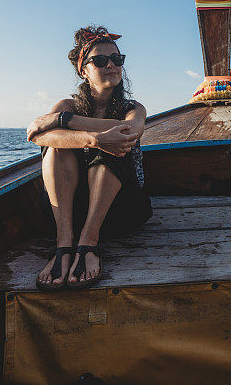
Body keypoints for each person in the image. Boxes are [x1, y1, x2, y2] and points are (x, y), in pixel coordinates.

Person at [27, 25, 151, 290]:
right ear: (84, 71)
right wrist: (93, 138)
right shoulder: (66, 105)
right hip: (69, 213)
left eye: (117, 60)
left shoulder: (133, 108)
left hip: (119, 211)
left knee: (118, 143)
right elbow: (40, 138)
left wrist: (65, 123)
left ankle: (88, 245)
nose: (111, 65)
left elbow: (131, 131)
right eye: (100, 60)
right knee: (58, 148)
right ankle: (64, 246)